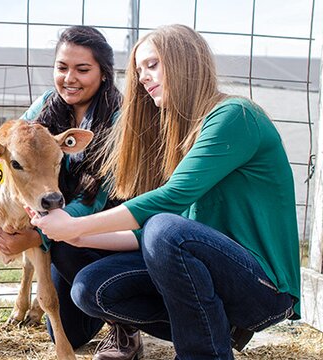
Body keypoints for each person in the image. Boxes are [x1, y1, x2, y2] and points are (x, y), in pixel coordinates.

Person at [29, 24, 301, 360]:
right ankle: (217, 330)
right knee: (91, 288)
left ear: (184, 61)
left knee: (165, 227)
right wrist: (79, 239)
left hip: (263, 287)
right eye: (139, 70)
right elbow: (148, 233)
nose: (143, 77)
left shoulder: (235, 116)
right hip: (213, 273)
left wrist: (75, 225)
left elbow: (171, 200)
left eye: (153, 64)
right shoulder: (179, 134)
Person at [0, 25, 126, 351]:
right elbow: (3, 157)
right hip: (56, 220)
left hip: (107, 232)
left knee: (64, 247)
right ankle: (92, 303)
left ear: (104, 74)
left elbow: (96, 201)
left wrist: (36, 236)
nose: (70, 78)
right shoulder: (44, 108)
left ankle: (125, 326)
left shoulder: (120, 120)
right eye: (62, 68)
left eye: (83, 69)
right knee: (69, 335)